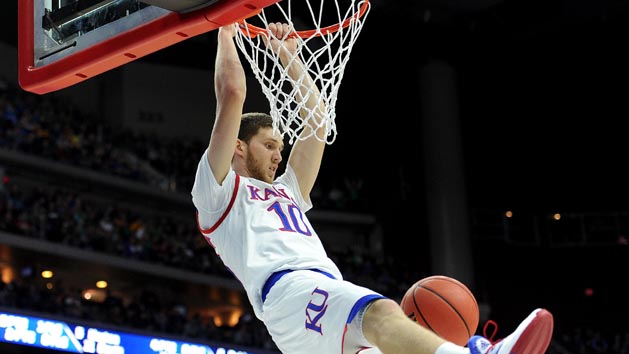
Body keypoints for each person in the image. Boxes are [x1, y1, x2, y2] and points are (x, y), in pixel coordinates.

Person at [191, 22, 554, 354]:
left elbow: (317, 120)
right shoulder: (219, 192)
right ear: (239, 146)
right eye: (269, 145)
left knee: (385, 333)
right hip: (290, 291)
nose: (277, 156)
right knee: (380, 311)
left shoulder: (288, 190)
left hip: (310, 301)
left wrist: (289, 57)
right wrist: (225, 28)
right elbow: (233, 92)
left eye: (280, 149)